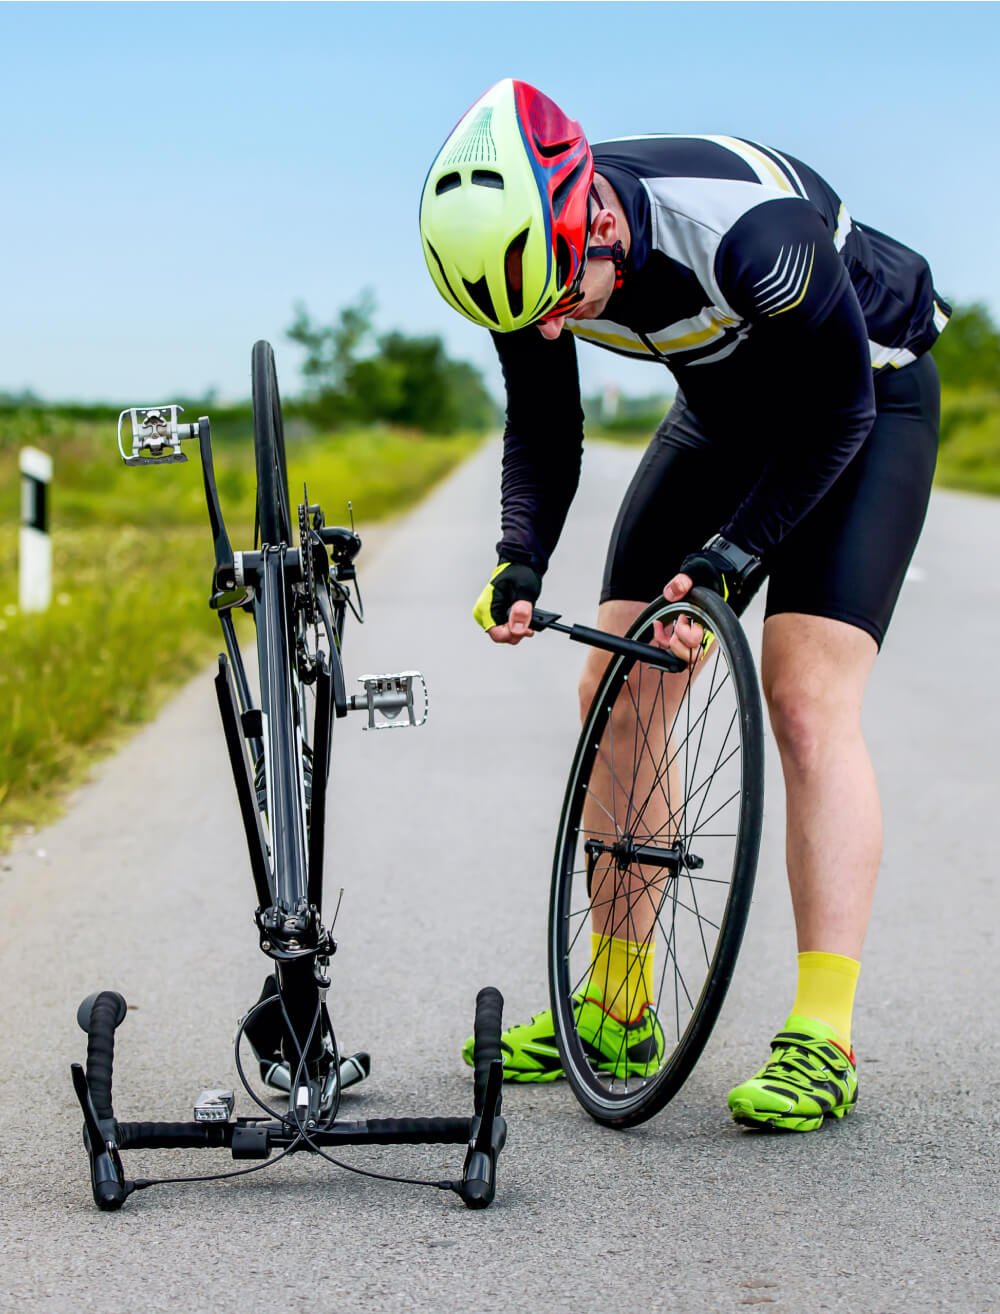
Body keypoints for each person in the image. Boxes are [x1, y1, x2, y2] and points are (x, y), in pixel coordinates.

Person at [418, 78, 948, 1131]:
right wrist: (519, 558)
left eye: (567, 295)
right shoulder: (532, 256)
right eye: (531, 315)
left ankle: (822, 1037)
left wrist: (730, 562)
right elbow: (543, 427)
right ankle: (617, 1008)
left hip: (863, 405)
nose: (555, 324)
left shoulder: (753, 236)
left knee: (800, 695)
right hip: (723, 410)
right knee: (617, 686)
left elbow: (834, 412)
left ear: (598, 216)